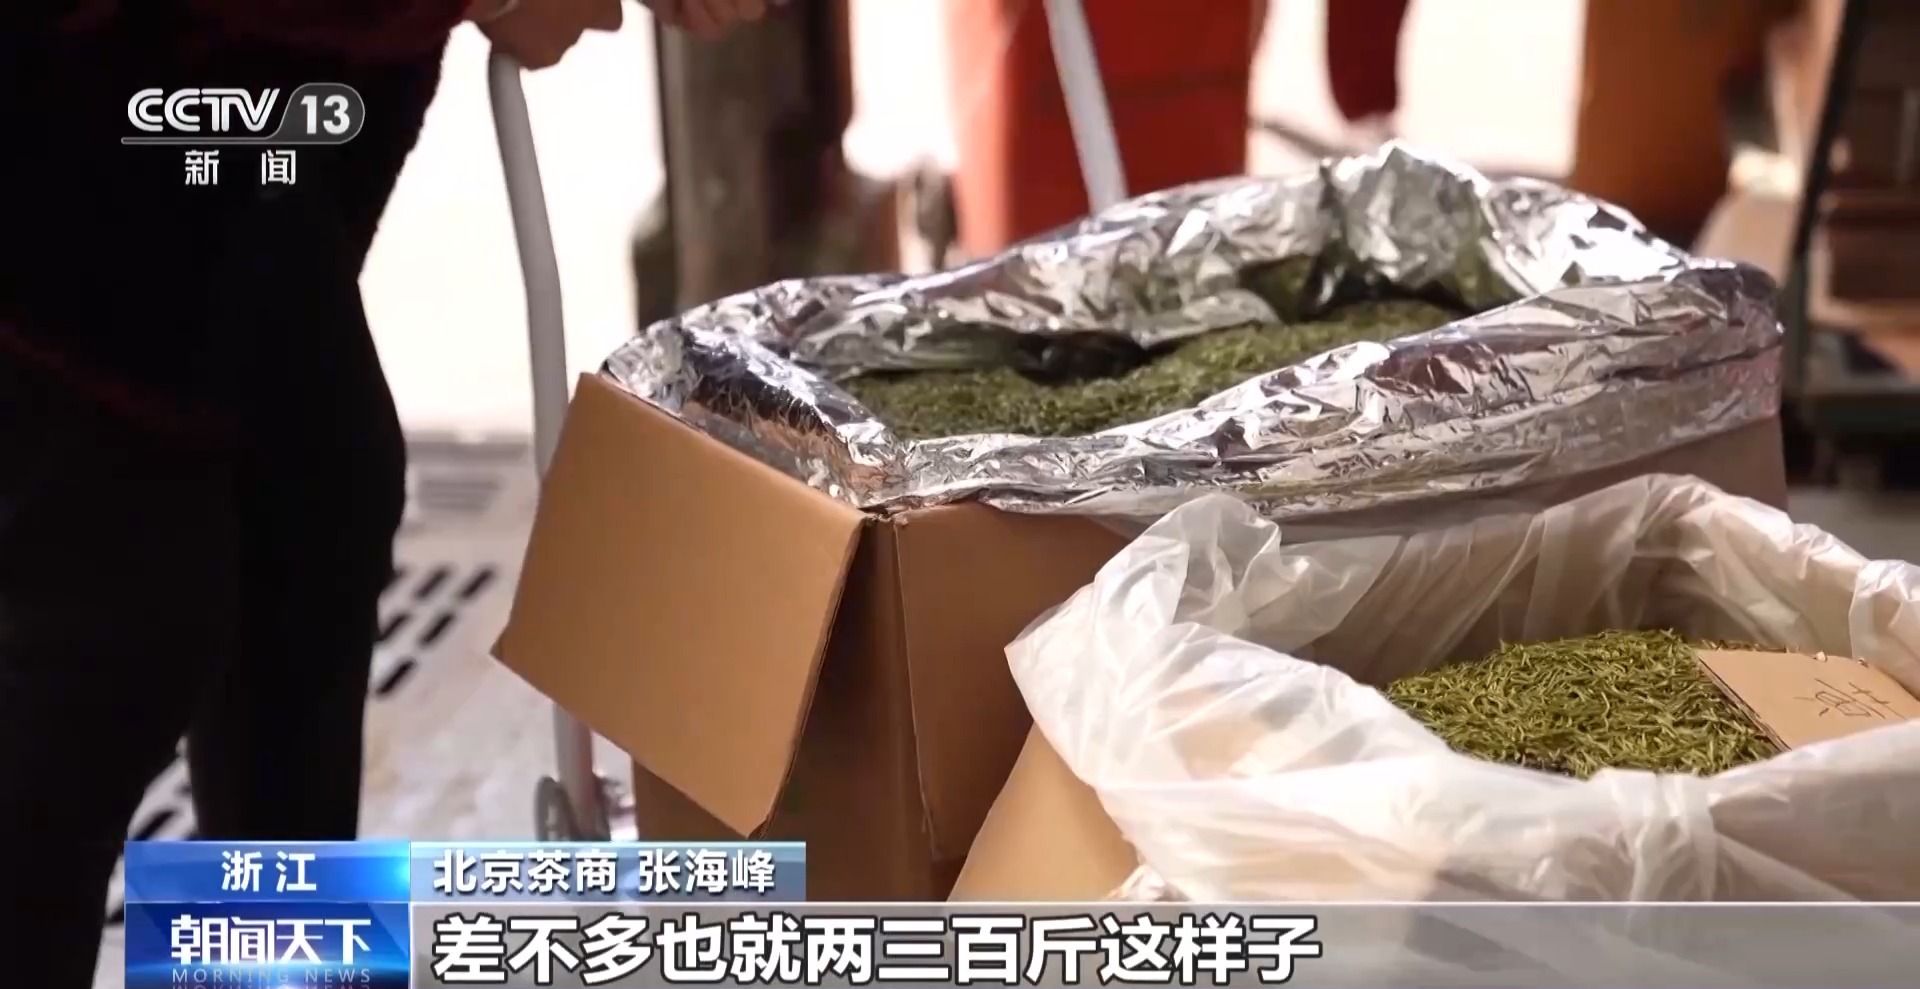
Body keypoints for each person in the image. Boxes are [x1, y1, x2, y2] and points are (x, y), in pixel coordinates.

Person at [0, 0, 764, 982]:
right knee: (116, 601)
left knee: (314, 503)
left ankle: (280, 961)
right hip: (62, 153)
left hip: (224, 141)